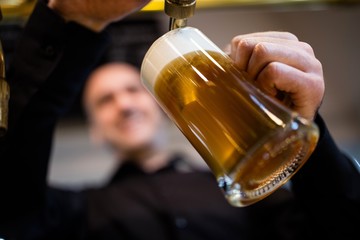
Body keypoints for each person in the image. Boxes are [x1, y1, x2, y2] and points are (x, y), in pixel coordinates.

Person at [0, 1, 359, 240]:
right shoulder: (75, 211)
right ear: (94, 129)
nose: (124, 105)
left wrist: (304, 125)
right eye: (105, 101)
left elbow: (341, 225)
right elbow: (10, 203)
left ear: (164, 107)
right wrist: (73, 21)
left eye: (131, 90)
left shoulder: (257, 192)